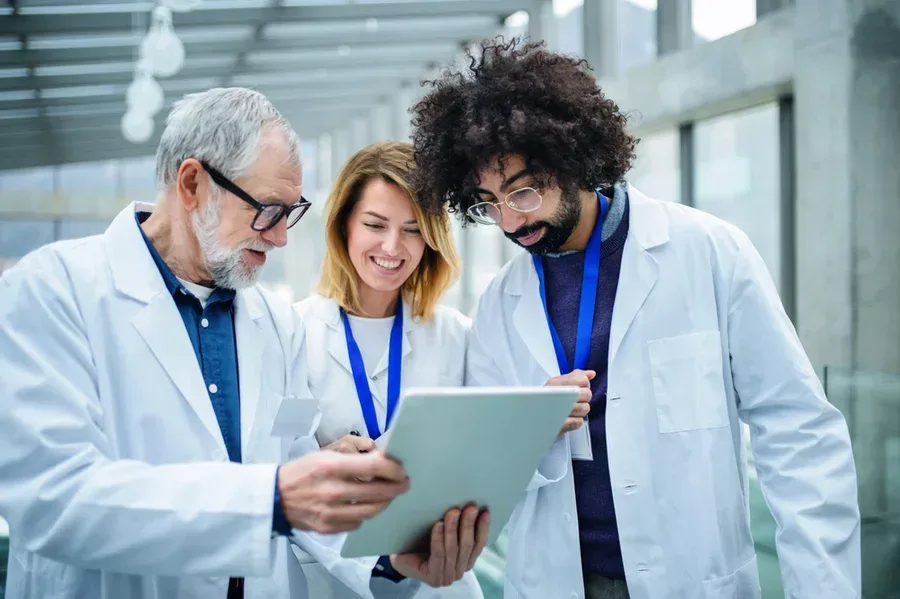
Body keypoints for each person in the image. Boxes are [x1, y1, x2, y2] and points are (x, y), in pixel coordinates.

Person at [408, 39, 861, 599]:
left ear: (572, 158)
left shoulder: (708, 252)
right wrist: (527, 424)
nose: (509, 222)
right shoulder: (503, 302)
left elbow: (797, 431)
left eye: (523, 192)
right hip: (559, 579)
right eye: (487, 202)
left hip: (691, 577)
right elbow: (484, 466)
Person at [0, 87, 433, 599]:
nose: (280, 238)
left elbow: (296, 475)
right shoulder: (51, 291)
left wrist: (387, 565)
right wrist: (266, 500)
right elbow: (54, 499)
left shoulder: (273, 319)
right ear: (193, 185)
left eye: (289, 213)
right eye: (268, 211)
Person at [294, 141, 488, 598]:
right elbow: (275, 467)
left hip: (438, 579)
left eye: (412, 230)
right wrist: (318, 466)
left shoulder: (456, 335)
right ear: (343, 225)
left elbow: (485, 456)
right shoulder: (293, 334)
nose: (392, 247)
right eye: (375, 225)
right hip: (329, 577)